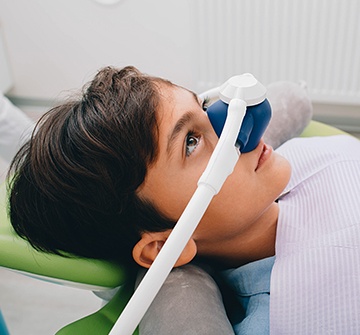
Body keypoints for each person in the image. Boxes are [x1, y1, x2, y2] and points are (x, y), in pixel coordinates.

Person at [7, 66, 360, 334]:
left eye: (204, 105)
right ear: (164, 248)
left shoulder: (300, 159)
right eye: (191, 142)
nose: (233, 127)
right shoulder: (292, 315)